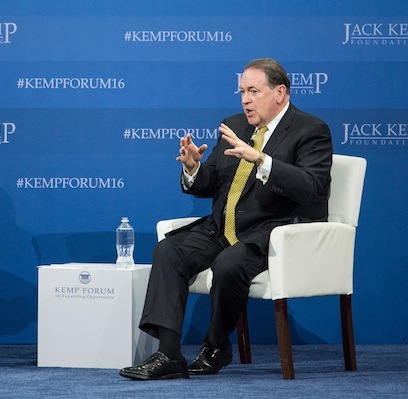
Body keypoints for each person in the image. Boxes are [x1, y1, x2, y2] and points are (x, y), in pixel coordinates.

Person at [119, 58, 333, 380]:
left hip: (271, 233)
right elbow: (211, 184)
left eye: (253, 91)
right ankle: (168, 354)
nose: (245, 99)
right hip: (221, 227)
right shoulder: (234, 125)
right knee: (168, 251)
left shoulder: (310, 130)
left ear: (280, 92)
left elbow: (312, 188)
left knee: (229, 264)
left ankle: (216, 346)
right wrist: (192, 169)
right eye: (242, 92)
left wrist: (262, 160)